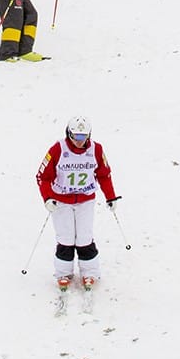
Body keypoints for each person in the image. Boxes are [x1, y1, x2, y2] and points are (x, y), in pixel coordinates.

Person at [37, 117, 120, 291]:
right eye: (76, 137)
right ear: (69, 134)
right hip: (61, 200)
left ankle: (90, 272)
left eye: (83, 137)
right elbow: (43, 177)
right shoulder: (58, 149)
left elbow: (104, 175)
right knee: (65, 237)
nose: (79, 141)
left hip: (85, 200)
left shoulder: (96, 149)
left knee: (84, 236)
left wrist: (110, 197)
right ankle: (63, 273)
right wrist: (47, 198)